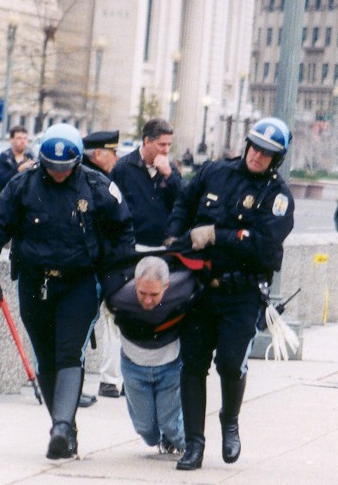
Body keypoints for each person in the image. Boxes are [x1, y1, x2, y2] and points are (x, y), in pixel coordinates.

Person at [0, 124, 134, 460]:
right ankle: (65, 426)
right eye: (51, 166)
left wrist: (116, 282)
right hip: (35, 281)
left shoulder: (97, 186)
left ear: (77, 162)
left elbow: (122, 232)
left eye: (65, 167)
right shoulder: (22, 185)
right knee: (46, 357)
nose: (58, 173)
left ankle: (60, 426)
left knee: (67, 353)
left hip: (78, 283)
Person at [167, 116, 296, 471]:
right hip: (200, 287)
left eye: (267, 153)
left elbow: (264, 246)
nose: (257, 156)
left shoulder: (278, 196)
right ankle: (193, 444)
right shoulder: (215, 172)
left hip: (241, 292)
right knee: (192, 363)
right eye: (254, 147)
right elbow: (184, 202)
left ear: (277, 158)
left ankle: (230, 422)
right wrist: (175, 235)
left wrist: (216, 236)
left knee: (229, 362)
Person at [106, 255, 198, 456]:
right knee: (146, 431)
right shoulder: (118, 296)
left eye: (154, 294)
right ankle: (161, 437)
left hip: (170, 365)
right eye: (142, 293)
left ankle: (181, 443)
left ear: (167, 286)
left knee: (172, 426)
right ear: (135, 283)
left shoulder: (183, 287)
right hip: (133, 367)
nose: (147, 300)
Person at [82, 130, 122, 403]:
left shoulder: (100, 179)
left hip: (94, 265)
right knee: (78, 331)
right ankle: (68, 388)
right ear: (98, 154)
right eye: (112, 152)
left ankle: (70, 387)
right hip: (86, 267)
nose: (117, 158)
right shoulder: (91, 181)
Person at [111, 118, 184, 248]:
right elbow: (113, 209)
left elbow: (184, 200)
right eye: (162, 144)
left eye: (169, 145)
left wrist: (169, 176)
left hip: (163, 244)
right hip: (134, 244)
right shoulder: (123, 167)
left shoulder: (170, 168)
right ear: (146, 141)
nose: (166, 150)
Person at [0, 125, 35, 193]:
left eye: (25, 138)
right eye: (19, 138)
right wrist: (18, 170)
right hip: (7, 200)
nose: (23, 141)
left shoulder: (31, 157)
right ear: (11, 140)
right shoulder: (4, 158)